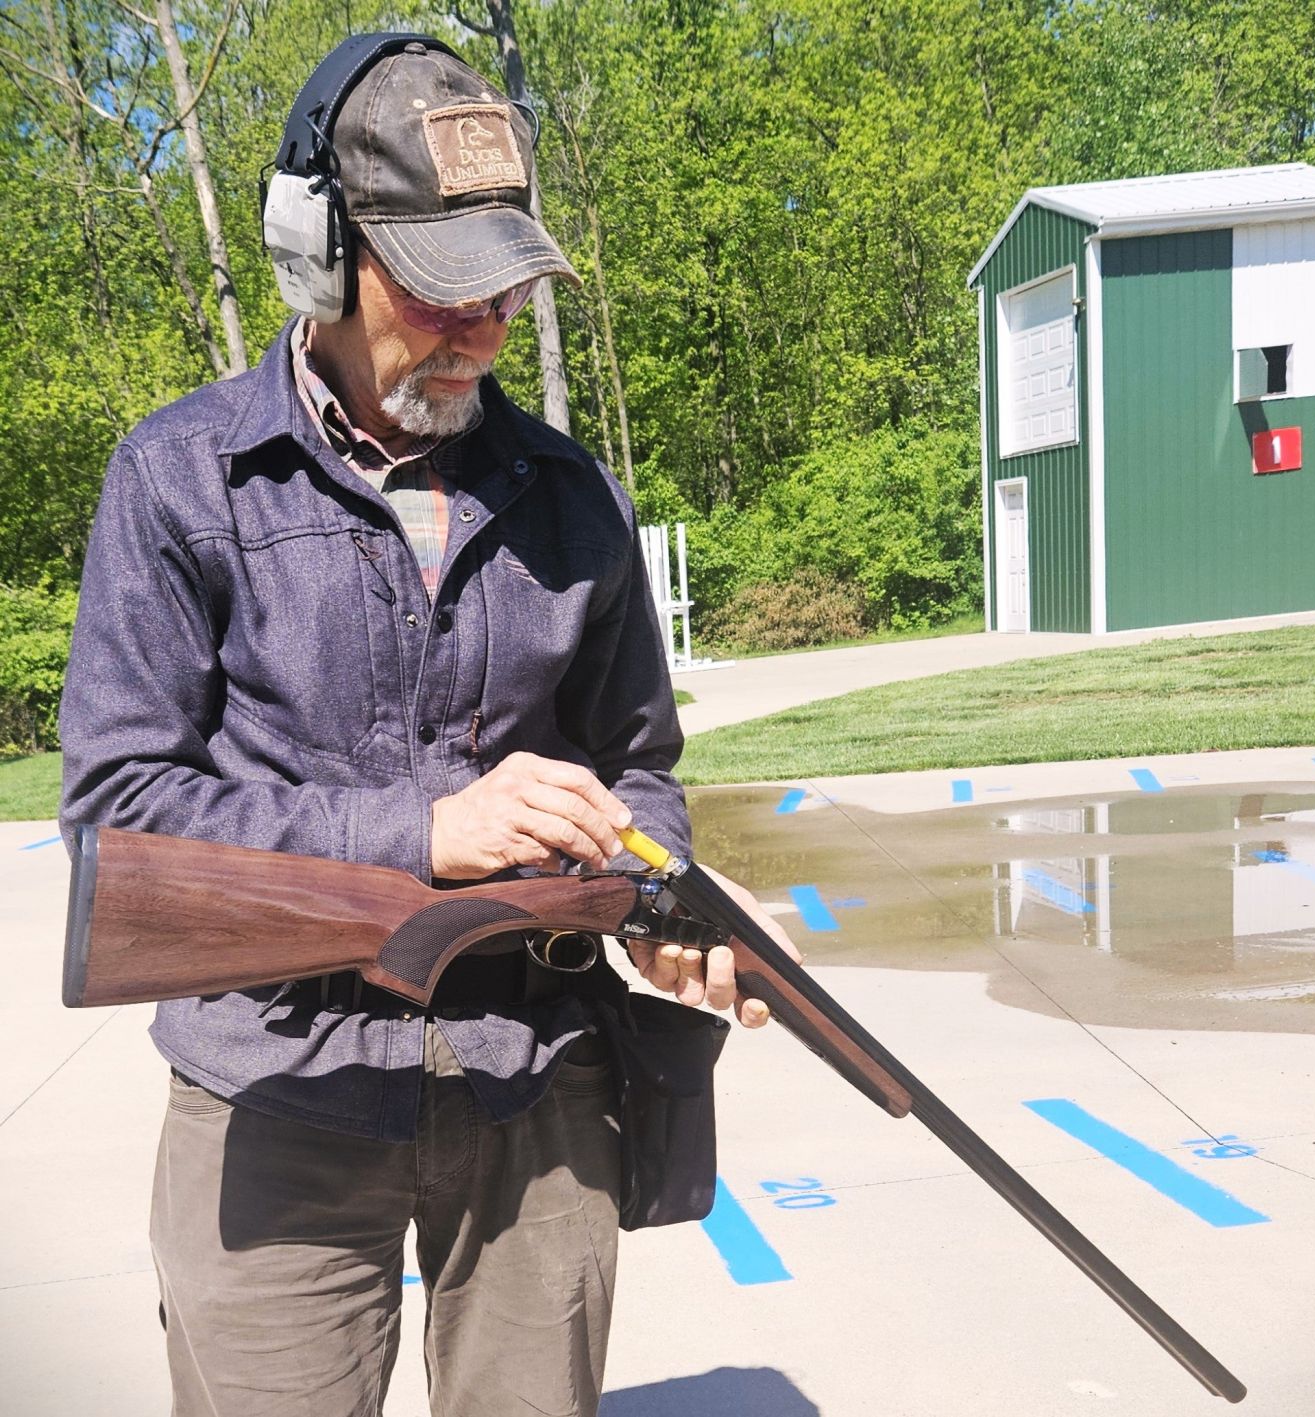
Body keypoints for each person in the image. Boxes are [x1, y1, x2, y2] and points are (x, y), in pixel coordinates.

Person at [59, 34, 795, 1417]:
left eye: (506, 286)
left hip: (537, 1081)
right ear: (316, 253)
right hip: (277, 1083)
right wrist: (426, 831)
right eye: (443, 287)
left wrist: (667, 895)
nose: (487, 326)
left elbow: (639, 764)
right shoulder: (177, 478)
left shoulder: (575, 499)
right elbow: (118, 814)